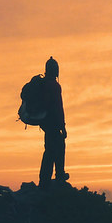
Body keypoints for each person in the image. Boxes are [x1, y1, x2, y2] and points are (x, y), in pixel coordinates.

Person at [38, 56, 69, 186]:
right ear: (55, 70)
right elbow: (58, 107)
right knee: (59, 147)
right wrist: (63, 127)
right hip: (54, 123)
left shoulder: (43, 84)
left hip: (45, 123)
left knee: (49, 150)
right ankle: (59, 175)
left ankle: (44, 179)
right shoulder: (54, 86)